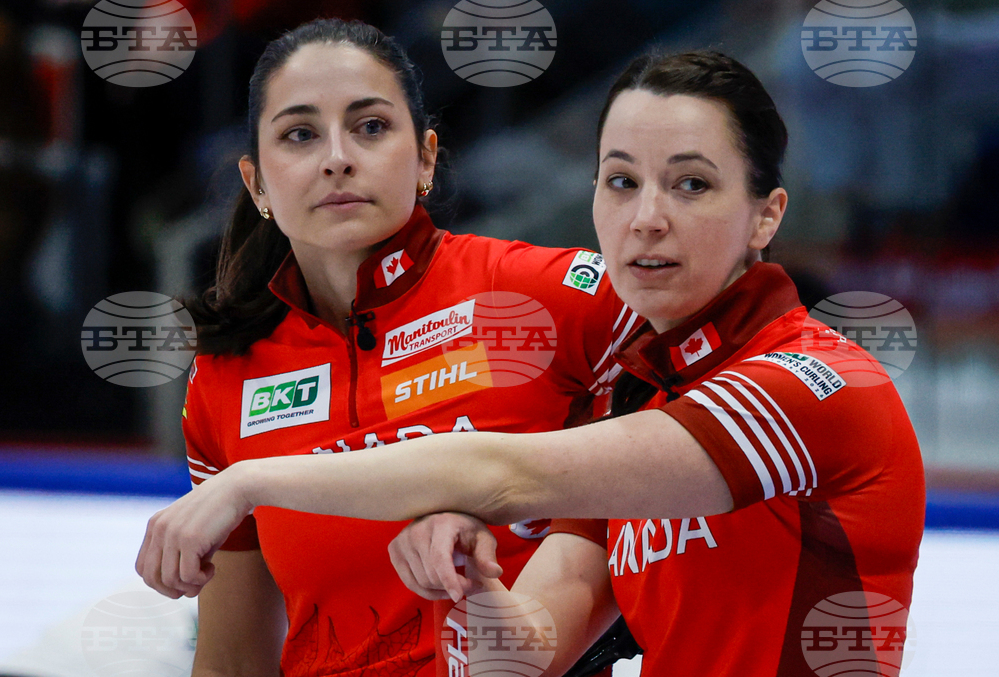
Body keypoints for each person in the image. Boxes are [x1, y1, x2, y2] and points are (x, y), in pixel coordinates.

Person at [138, 50, 925, 675]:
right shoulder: (643, 406)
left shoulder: (809, 383)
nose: (647, 219)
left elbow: (510, 473)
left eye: (692, 184)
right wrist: (477, 583)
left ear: (766, 214)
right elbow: (518, 656)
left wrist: (253, 478)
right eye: (621, 182)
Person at [164, 18, 638, 677]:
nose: (337, 156)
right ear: (257, 186)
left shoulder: (550, 293)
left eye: (371, 127)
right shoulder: (225, 376)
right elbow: (231, 662)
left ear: (426, 158)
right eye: (300, 134)